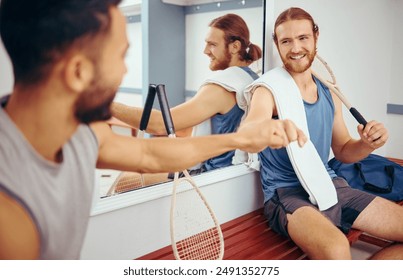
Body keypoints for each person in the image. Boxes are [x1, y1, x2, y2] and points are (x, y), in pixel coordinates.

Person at [0, 0, 306, 259]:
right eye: (121, 57)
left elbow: (150, 153)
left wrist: (241, 138)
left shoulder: (85, 133)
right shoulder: (11, 224)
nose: (124, 71)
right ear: (78, 73)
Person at [240, 7, 403, 259]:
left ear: (315, 37)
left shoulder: (327, 92)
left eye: (303, 38)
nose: (295, 48)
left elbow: (344, 151)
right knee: (338, 250)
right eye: (286, 41)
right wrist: (266, 129)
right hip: (287, 194)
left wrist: (367, 144)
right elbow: (249, 130)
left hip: (330, 184)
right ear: (277, 44)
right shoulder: (269, 90)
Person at [111, 13, 262, 173]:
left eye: (212, 44)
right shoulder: (251, 77)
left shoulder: (222, 87)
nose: (205, 51)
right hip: (236, 174)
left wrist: (106, 106)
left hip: (213, 177)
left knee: (126, 181)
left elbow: (159, 124)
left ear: (235, 47)